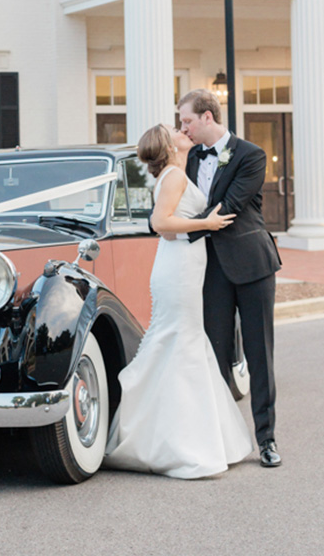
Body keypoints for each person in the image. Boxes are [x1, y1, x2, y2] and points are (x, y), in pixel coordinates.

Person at [104, 124, 253, 479]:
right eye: (176, 129)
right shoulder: (173, 176)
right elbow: (159, 223)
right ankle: (184, 445)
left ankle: (194, 437)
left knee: (182, 341)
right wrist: (210, 222)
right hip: (179, 270)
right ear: (170, 145)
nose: (182, 129)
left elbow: (171, 228)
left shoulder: (176, 173)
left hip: (182, 264)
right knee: (182, 342)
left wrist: (199, 223)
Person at [177, 88, 282, 468]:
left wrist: (179, 229)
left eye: (186, 120)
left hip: (252, 265)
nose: (182, 127)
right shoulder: (187, 159)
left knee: (259, 353)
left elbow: (229, 207)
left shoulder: (250, 155)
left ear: (207, 117)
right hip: (209, 269)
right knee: (216, 353)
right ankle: (224, 438)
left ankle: (266, 439)